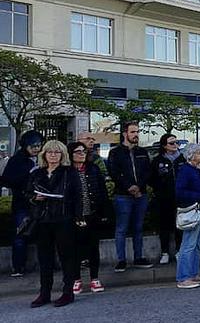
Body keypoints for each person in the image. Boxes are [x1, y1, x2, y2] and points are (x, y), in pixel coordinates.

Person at [27, 140, 82, 308]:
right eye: (50, 152)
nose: (53, 155)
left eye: (57, 152)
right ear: (44, 154)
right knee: (45, 259)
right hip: (43, 220)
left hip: (64, 219)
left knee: (67, 257)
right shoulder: (37, 173)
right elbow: (27, 193)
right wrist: (35, 198)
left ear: (62, 155)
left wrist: (78, 217)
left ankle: (68, 293)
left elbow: (77, 196)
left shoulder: (69, 172)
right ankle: (44, 293)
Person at [107, 121, 153, 272]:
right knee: (122, 228)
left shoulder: (142, 152)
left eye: (137, 132)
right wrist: (129, 187)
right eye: (133, 132)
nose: (136, 135)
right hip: (123, 195)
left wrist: (139, 187)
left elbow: (147, 171)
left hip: (141, 194)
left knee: (138, 227)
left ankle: (138, 257)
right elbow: (114, 173)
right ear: (124, 134)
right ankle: (121, 260)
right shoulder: (115, 152)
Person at [1, 130, 43, 277]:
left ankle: (47, 263)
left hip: (42, 201)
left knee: (46, 233)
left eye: (38, 145)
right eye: (33, 146)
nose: (36, 149)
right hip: (23, 202)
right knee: (20, 234)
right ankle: (18, 266)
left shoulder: (42, 158)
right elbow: (6, 180)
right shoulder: (16, 160)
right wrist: (28, 174)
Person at [68, 142, 109, 295]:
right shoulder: (67, 171)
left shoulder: (93, 168)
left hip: (92, 214)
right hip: (74, 216)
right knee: (75, 249)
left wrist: (104, 212)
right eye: (77, 152)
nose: (81, 154)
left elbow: (102, 191)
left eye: (83, 151)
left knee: (93, 247)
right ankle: (76, 279)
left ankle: (94, 278)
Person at [174, 144, 200, 289]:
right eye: (198, 152)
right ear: (191, 156)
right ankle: (184, 277)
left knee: (198, 244)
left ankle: (193, 273)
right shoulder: (186, 171)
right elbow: (179, 191)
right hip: (195, 209)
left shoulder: (197, 169)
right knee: (189, 244)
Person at [150, 133, 186, 265]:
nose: (175, 145)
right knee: (164, 226)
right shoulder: (157, 160)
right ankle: (165, 252)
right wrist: (160, 189)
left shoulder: (183, 159)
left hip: (180, 198)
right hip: (164, 199)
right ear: (164, 145)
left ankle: (178, 251)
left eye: (177, 143)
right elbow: (152, 179)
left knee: (180, 226)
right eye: (172, 143)